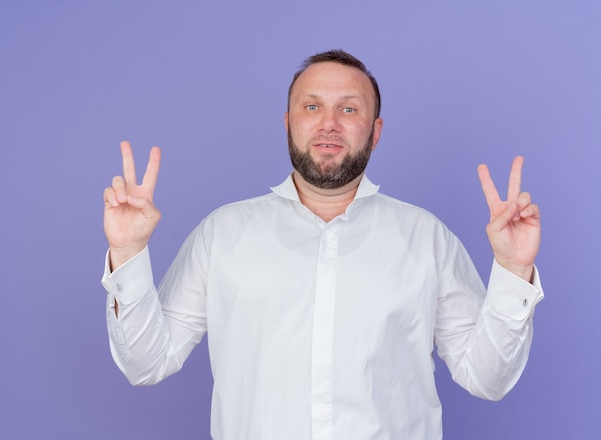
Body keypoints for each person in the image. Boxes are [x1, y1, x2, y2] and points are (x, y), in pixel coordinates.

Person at [101, 50, 543, 440]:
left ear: (375, 130)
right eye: (312, 106)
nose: (328, 123)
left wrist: (512, 271)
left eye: (349, 109)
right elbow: (146, 364)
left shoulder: (426, 238)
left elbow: (487, 379)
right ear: (289, 121)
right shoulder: (222, 234)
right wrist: (127, 254)